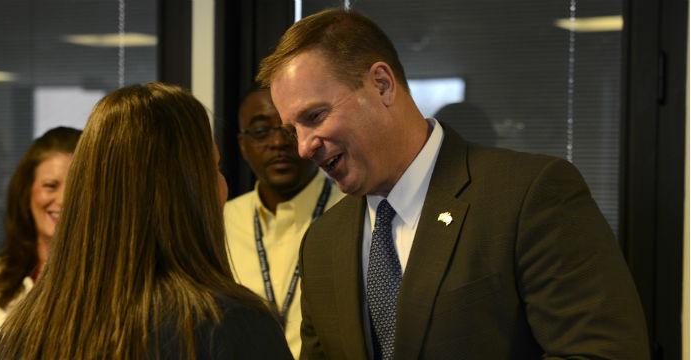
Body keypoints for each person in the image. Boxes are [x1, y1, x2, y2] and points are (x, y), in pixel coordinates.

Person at [256, 8, 650, 359]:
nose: (304, 148)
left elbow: (603, 352)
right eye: (294, 130)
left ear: (381, 85)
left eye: (315, 116)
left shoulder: (529, 195)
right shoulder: (322, 243)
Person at [0, 83, 292, 359]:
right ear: (188, 192)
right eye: (213, 168)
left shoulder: (27, 327)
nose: (223, 184)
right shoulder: (232, 326)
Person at [225, 86, 343, 357]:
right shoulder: (220, 223)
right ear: (243, 145)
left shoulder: (353, 214)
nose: (278, 143)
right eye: (260, 131)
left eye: (289, 130)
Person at [0, 126, 81, 360]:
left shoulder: (106, 282)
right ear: (27, 193)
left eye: (75, 187)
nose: (64, 199)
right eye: (50, 186)